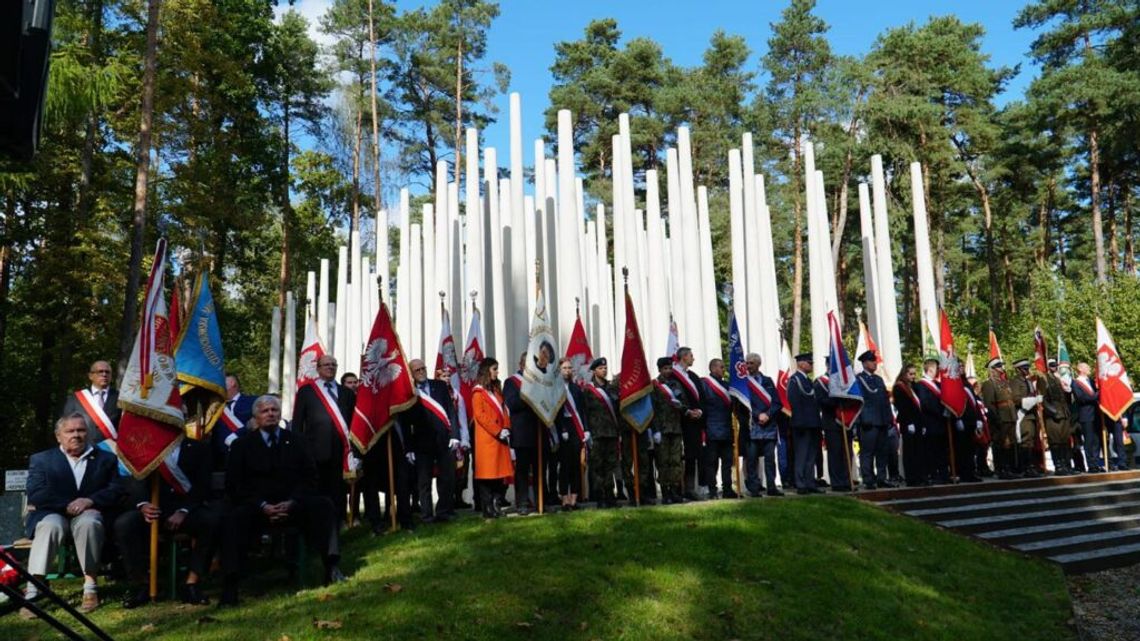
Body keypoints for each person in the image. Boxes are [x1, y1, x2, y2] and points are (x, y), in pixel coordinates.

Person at [221, 395, 344, 606]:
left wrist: (293, 501)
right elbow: (235, 485)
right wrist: (262, 505)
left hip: (293, 505)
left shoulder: (297, 441)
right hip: (257, 508)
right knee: (232, 519)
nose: (270, 414)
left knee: (324, 505)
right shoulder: (242, 445)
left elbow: (310, 477)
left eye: (274, 410)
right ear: (255, 418)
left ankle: (332, 567)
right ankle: (230, 587)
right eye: (265, 411)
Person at [23, 413, 125, 613]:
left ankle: (90, 586)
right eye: (70, 431)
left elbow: (116, 490)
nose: (76, 435)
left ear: (87, 433)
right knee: (50, 525)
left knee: (90, 521)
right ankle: (34, 587)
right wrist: (66, 505)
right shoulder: (42, 460)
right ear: (58, 436)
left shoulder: (106, 459)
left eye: (81, 430)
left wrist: (90, 500)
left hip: (89, 512)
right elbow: (36, 492)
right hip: (52, 512)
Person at [113, 436, 219, 608]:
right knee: (125, 525)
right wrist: (142, 504)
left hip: (186, 509)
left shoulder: (199, 448)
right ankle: (143, 584)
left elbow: (203, 485)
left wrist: (183, 510)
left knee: (210, 522)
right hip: (152, 508)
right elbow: (132, 480)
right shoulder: (144, 446)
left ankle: (192, 582)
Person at [291, 354, 356, 524]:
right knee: (318, 490)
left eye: (333, 364)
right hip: (315, 451)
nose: (330, 367)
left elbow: (353, 422)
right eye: (326, 364)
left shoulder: (347, 393)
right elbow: (298, 423)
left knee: (339, 489)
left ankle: (339, 521)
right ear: (318, 368)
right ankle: (318, 523)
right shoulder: (307, 391)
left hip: (341, 451)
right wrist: (298, 450)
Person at [404, 358, 460, 523]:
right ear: (412, 373)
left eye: (423, 368)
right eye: (417, 370)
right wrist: (408, 448)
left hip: (443, 440)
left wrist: (455, 436)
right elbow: (405, 421)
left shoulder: (440, 386)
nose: (421, 372)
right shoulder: (410, 391)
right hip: (421, 443)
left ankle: (444, 511)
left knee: (447, 478)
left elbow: (451, 411)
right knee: (424, 481)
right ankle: (427, 515)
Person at [472, 358, 512, 518]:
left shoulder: (495, 390)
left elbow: (504, 410)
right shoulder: (478, 392)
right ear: (487, 370)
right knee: (487, 476)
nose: (497, 372)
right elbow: (480, 416)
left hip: (500, 438)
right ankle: (487, 509)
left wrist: (507, 427)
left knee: (499, 475)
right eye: (494, 369)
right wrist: (497, 430)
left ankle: (496, 506)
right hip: (488, 439)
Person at [503, 353, 541, 514]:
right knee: (523, 470)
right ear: (521, 365)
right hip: (521, 432)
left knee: (539, 468)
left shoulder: (540, 381)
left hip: (539, 431)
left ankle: (540, 500)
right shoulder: (511, 382)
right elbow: (512, 403)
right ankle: (523, 503)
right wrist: (528, 395)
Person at [583, 358, 621, 508]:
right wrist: (587, 430)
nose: (604, 370)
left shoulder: (611, 388)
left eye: (605, 368)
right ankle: (600, 497)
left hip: (611, 432)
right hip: (596, 433)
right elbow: (584, 411)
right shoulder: (588, 389)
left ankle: (610, 495)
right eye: (600, 368)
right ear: (594, 371)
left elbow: (617, 410)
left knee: (610, 465)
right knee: (597, 466)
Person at [743, 353, 782, 497]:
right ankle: (754, 488)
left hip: (769, 425)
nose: (748, 366)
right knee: (752, 459)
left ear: (758, 364)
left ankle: (771, 487)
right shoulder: (744, 383)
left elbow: (777, 402)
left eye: (751, 363)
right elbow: (744, 404)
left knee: (770, 460)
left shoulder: (768, 381)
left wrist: (768, 415)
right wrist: (758, 414)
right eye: (747, 363)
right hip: (753, 425)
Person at [854, 351, 893, 490]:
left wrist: (889, 418)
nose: (875, 363)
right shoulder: (858, 379)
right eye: (871, 361)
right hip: (868, 422)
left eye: (875, 361)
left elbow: (885, 401)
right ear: (864, 363)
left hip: (882, 420)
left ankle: (882, 478)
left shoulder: (878, 379)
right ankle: (868, 479)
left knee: (882, 451)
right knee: (867, 452)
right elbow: (858, 401)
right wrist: (863, 418)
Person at [672, 347, 707, 500]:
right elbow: (672, 397)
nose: (693, 358)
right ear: (684, 357)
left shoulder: (693, 376)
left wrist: (700, 411)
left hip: (694, 423)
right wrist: (687, 411)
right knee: (677, 456)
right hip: (677, 421)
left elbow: (702, 397)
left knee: (693, 455)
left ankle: (690, 488)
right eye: (691, 356)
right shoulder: (673, 375)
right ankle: (676, 489)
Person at [787, 353, 824, 494]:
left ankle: (810, 482)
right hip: (802, 424)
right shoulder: (794, 380)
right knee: (802, 455)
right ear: (801, 364)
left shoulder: (808, 381)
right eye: (809, 363)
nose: (811, 365)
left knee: (811, 455)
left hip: (813, 423)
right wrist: (800, 423)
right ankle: (800, 483)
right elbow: (794, 402)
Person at [60, 360, 120, 445]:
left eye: (107, 372)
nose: (104, 374)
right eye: (100, 372)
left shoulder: (120, 398)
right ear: (90, 376)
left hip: (111, 449)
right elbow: (66, 424)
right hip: (83, 447)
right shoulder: (76, 398)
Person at [650, 358, 685, 504]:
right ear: (659, 370)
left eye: (670, 368)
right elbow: (652, 409)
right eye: (665, 368)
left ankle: (674, 490)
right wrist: (655, 430)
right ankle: (665, 492)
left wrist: (680, 405)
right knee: (663, 462)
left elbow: (685, 404)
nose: (668, 371)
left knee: (676, 461)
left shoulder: (676, 384)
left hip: (676, 428)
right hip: (662, 429)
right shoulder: (654, 386)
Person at [556, 358, 588, 510]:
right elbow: (555, 412)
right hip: (562, 427)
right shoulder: (555, 389)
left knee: (576, 464)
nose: (568, 371)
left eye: (569, 368)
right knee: (564, 465)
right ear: (559, 370)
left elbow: (582, 411)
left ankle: (574, 498)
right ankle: (564, 499)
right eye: (564, 368)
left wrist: (586, 429)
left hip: (576, 427)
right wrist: (561, 429)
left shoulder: (576, 389)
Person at [701, 359, 736, 499]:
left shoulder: (727, 385)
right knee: (711, 463)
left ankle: (727, 489)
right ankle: (712, 490)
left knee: (727, 462)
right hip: (711, 429)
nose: (724, 370)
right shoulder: (705, 384)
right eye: (721, 367)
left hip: (726, 429)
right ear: (713, 368)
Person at [982, 357, 1020, 479]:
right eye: (998, 366)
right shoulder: (988, 384)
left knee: (1010, 444)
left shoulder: (1004, 383)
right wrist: (996, 419)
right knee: (1000, 444)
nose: (1001, 368)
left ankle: (1009, 468)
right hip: (1000, 418)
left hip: (1010, 417)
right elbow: (989, 404)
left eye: (1001, 366)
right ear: (992, 369)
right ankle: (1001, 469)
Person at [1011, 359, 1045, 478]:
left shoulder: (1028, 381)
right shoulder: (1015, 382)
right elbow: (1015, 399)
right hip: (1023, 415)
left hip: (1031, 415)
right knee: (1025, 442)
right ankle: (1025, 467)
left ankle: (1031, 466)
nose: (1027, 370)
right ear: (1018, 369)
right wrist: (1033, 400)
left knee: (1031, 442)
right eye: (1024, 368)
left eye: (1027, 368)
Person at [916, 358, 947, 484]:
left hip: (941, 423)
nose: (938, 371)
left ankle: (944, 474)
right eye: (937, 368)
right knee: (932, 450)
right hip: (930, 422)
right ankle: (934, 474)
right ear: (930, 369)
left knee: (942, 450)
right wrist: (940, 412)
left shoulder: (938, 384)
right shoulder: (921, 385)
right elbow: (925, 403)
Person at [213, 373, 255, 466]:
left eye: (221, 381)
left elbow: (256, 424)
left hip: (248, 456)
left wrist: (236, 437)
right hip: (220, 460)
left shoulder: (253, 401)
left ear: (232, 382)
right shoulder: (214, 407)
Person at [1043, 358, 1076, 476]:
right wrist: (1053, 412)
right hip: (1054, 415)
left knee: (1065, 441)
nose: (1054, 367)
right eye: (1051, 365)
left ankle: (1067, 464)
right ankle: (1059, 465)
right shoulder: (1044, 379)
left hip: (1064, 413)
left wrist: (1067, 389)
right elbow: (1043, 399)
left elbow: (1065, 397)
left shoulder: (1058, 379)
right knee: (1055, 442)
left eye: (1055, 365)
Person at [893, 365, 924, 486]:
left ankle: (920, 476)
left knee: (919, 451)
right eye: (910, 374)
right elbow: (903, 407)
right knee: (910, 452)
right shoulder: (899, 387)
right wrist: (909, 422)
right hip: (908, 423)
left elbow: (919, 406)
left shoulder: (913, 387)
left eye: (914, 374)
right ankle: (911, 478)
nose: (913, 376)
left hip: (917, 422)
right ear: (904, 374)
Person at [1072, 362, 1103, 472]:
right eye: (1086, 367)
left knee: (1096, 441)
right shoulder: (1076, 383)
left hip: (1096, 414)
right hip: (1086, 416)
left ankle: (1096, 463)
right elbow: (1082, 398)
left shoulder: (1090, 381)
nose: (1089, 368)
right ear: (1080, 369)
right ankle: (1091, 465)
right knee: (1089, 441)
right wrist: (1097, 395)